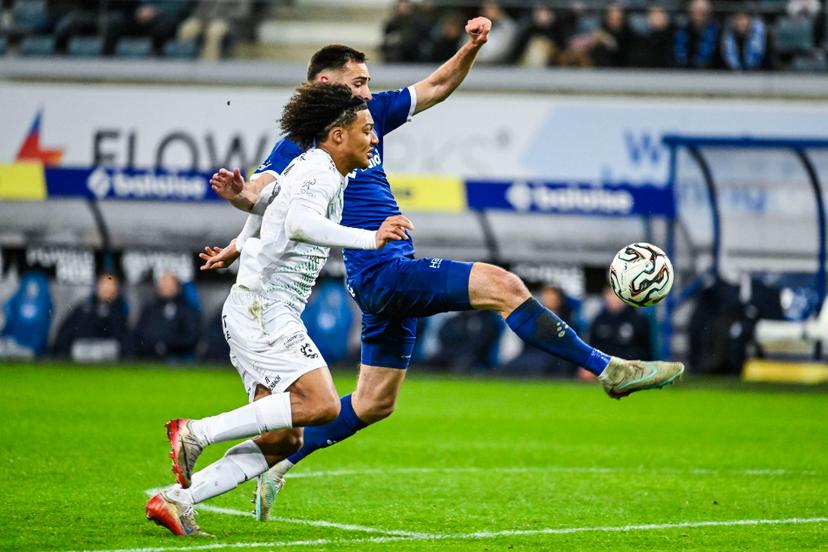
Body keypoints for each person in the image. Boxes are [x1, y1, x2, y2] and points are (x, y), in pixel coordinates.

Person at [206, 28, 683, 522]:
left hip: (384, 276)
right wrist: (241, 197)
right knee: (504, 286)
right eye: (359, 82)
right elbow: (261, 191)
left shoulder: (369, 116)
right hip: (383, 272)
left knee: (374, 402)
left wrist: (471, 48)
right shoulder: (302, 143)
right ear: (327, 83)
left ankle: (280, 462)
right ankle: (608, 369)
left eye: (369, 82)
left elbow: (435, 86)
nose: (369, 91)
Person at [146, 82, 413, 536]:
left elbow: (269, 204)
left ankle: (177, 500)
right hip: (265, 309)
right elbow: (299, 221)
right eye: (367, 130)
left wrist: (237, 246)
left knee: (283, 438)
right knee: (323, 405)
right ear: (338, 135)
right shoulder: (322, 171)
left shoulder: (312, 165)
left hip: (255, 306)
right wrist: (371, 237)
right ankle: (196, 432)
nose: (374, 139)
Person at [53, 272, 128, 361]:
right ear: (97, 286)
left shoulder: (121, 309)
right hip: (81, 351)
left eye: (111, 285)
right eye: (104, 284)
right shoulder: (84, 307)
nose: (107, 288)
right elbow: (66, 331)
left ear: (117, 288)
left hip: (108, 353)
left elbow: (123, 339)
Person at [133, 271, 201, 361]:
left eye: (170, 282)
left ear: (178, 286)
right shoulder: (149, 308)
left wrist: (166, 345)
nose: (166, 285)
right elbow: (139, 333)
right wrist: (153, 346)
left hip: (177, 357)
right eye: (164, 281)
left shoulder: (186, 309)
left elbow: (192, 338)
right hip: (148, 355)